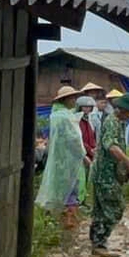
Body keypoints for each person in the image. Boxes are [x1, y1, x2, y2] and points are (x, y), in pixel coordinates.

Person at [89, 92, 129, 257]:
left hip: (106, 173)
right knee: (115, 208)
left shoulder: (118, 122)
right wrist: (127, 162)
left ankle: (98, 244)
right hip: (105, 175)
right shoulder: (112, 122)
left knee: (101, 210)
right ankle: (99, 242)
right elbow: (110, 146)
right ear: (124, 110)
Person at [35, 85, 86, 230]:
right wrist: (82, 154)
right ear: (66, 99)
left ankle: (56, 217)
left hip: (59, 159)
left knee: (59, 187)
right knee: (70, 187)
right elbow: (74, 139)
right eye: (72, 97)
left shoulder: (56, 115)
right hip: (69, 159)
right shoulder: (65, 117)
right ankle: (68, 218)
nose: (74, 100)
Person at [74, 95, 99, 163]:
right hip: (82, 152)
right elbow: (79, 138)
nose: (87, 109)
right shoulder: (77, 119)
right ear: (79, 107)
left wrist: (94, 147)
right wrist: (89, 149)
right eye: (85, 107)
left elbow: (92, 135)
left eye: (89, 107)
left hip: (91, 150)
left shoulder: (88, 118)